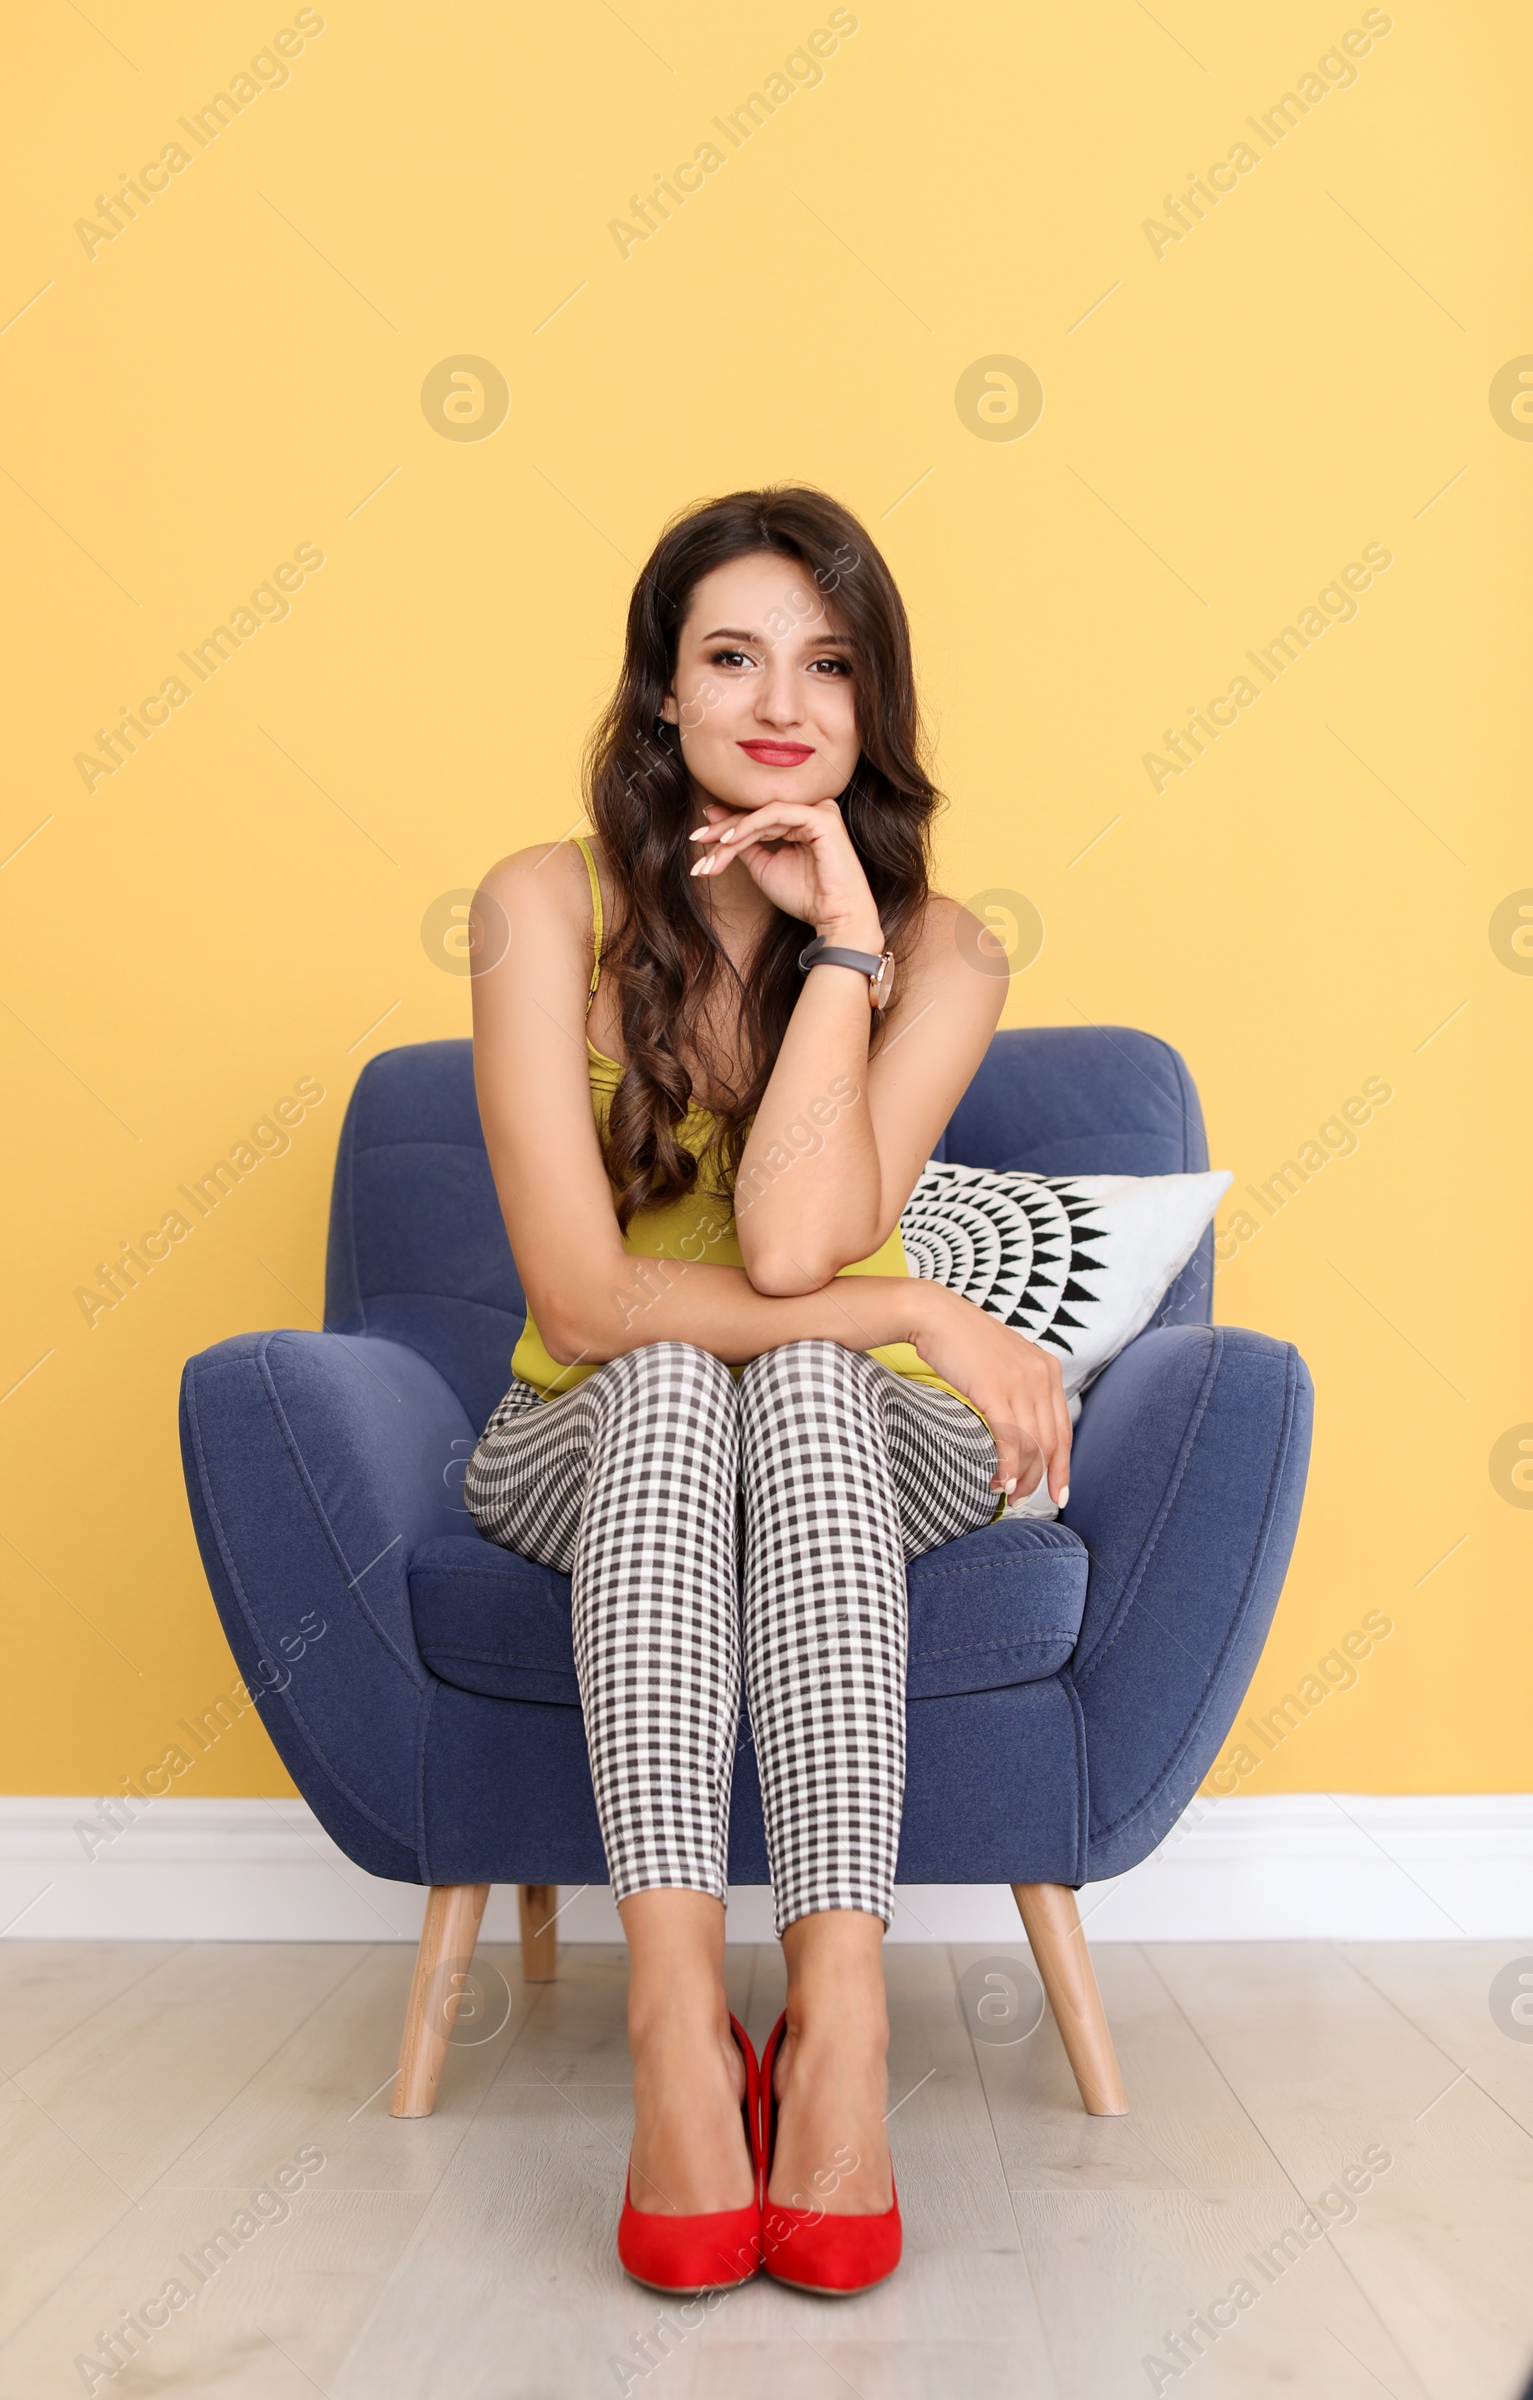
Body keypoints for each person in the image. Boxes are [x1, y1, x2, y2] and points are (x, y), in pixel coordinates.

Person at [465, 485, 1070, 2296]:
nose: (778, 702)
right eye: (730, 657)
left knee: (798, 1372)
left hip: (845, 1432)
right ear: (661, 693)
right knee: (669, 1386)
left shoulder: (943, 950)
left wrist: (845, 949)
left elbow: (796, 1248)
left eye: (827, 663)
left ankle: (838, 2025)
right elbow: (581, 1302)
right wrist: (934, 1313)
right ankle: (675, 2030)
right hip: (580, 1431)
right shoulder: (531, 907)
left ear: (875, 701)